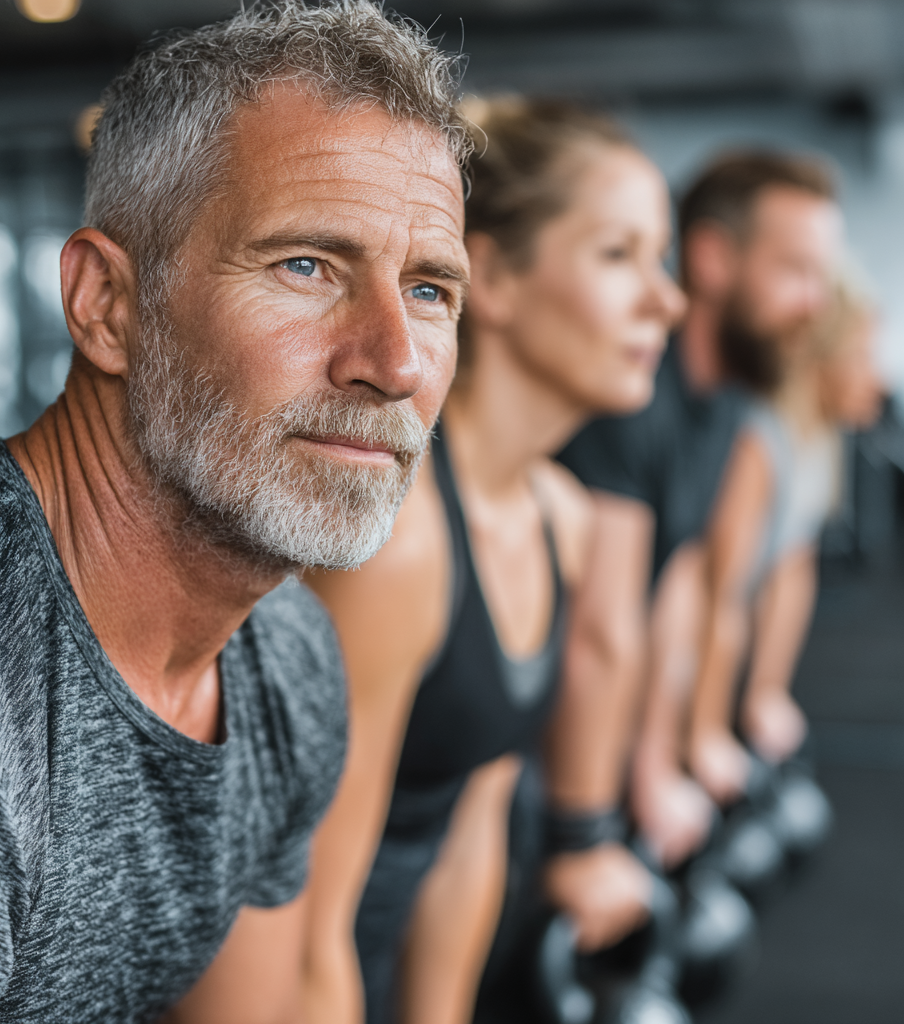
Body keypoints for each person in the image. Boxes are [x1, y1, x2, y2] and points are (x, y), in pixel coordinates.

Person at [0, 4, 473, 1021]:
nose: (395, 363)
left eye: (428, 289)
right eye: (306, 266)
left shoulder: (284, 652)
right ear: (108, 305)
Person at [302, 96, 686, 1024]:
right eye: (617, 256)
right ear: (497, 278)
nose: (667, 299)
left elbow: (470, 839)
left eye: (661, 258)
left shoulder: (562, 517)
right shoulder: (398, 541)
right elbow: (300, 926)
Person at [559, 151, 844, 869]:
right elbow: (601, 630)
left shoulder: (725, 407)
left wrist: (658, 765)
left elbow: (678, 593)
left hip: (604, 744)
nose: (815, 303)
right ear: (714, 258)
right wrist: (584, 834)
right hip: (538, 742)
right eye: (796, 271)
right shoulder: (632, 396)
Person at [688, 280, 883, 804]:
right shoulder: (759, 441)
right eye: (860, 357)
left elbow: (790, 574)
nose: (877, 378)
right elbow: (718, 594)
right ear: (821, 360)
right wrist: (705, 734)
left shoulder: (822, 443)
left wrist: (764, 695)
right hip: (682, 654)